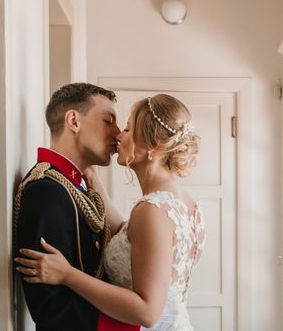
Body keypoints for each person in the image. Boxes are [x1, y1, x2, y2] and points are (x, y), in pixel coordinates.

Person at [15, 94, 206, 331]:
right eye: (112, 123)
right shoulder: (187, 206)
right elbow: (129, 235)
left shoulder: (152, 211)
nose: (118, 135)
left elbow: (147, 312)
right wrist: (94, 181)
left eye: (126, 128)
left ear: (153, 145)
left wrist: (67, 275)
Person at [13, 82, 137, 331]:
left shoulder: (77, 185)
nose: (117, 134)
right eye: (108, 120)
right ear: (74, 121)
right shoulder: (46, 190)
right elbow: (51, 308)